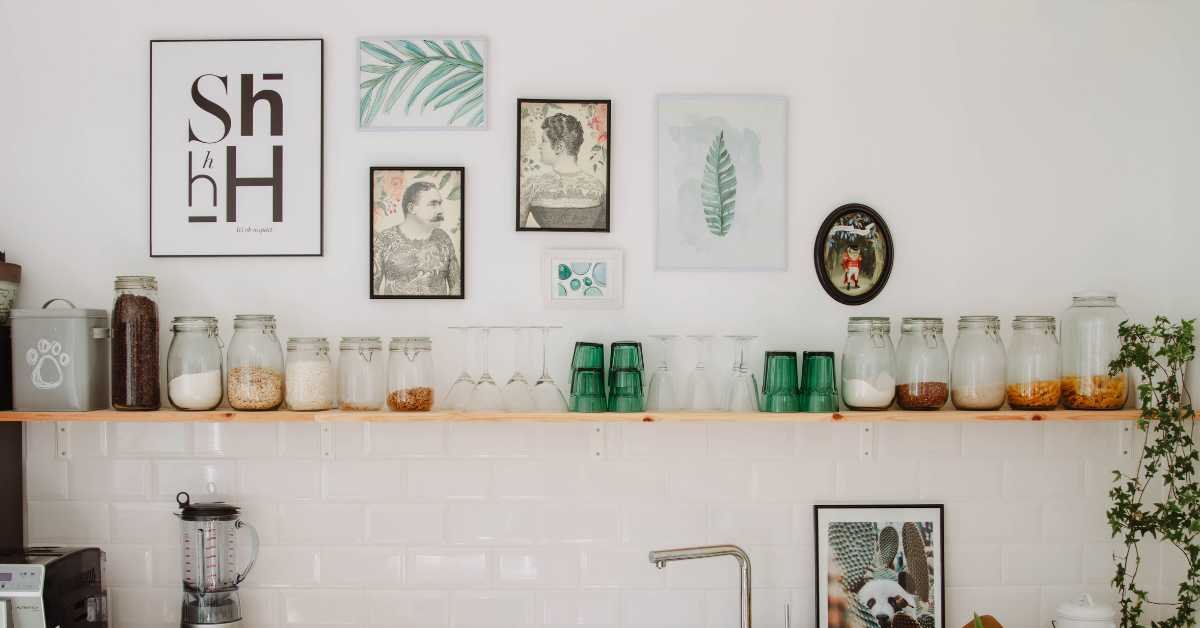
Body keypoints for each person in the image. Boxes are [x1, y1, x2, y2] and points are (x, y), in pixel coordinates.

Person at [373, 181, 461, 296]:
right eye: (433, 204)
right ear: (411, 208)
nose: (441, 210)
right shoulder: (385, 239)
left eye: (440, 204)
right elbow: (372, 288)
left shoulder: (443, 239)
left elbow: (456, 286)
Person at [519, 112, 606, 229]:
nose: (539, 146)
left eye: (543, 141)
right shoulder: (598, 186)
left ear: (559, 147)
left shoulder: (532, 186)